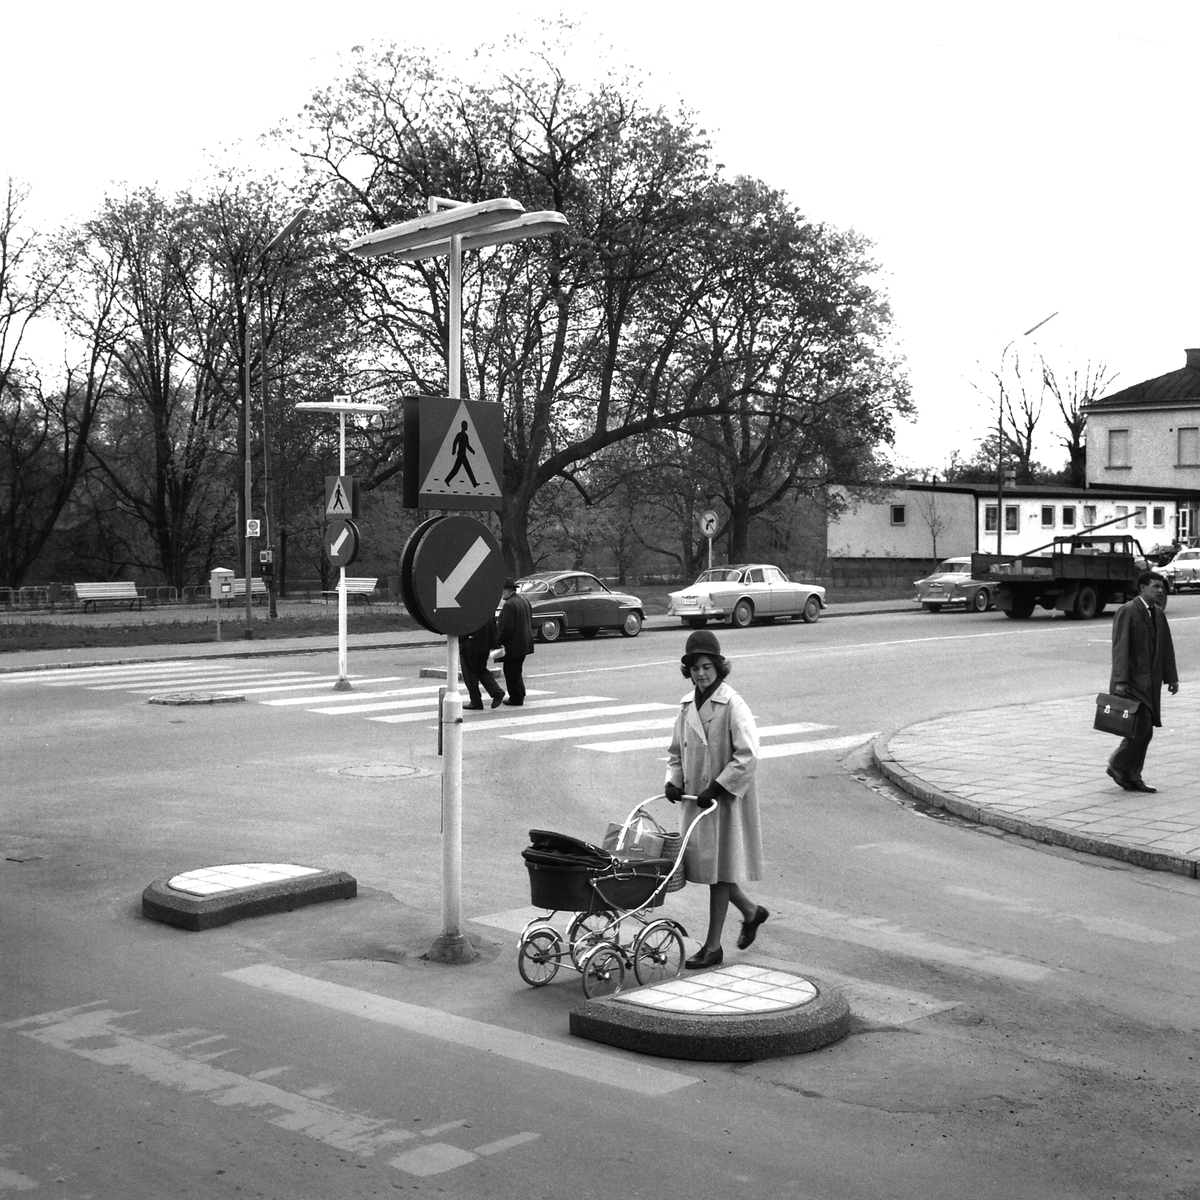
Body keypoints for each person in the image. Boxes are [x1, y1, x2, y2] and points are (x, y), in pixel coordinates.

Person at [664, 630, 767, 969]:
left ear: (719, 668)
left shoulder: (733, 704)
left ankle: (712, 946)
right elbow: (676, 753)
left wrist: (719, 787)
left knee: (718, 871)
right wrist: (673, 782)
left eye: (707, 666)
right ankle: (751, 912)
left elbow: (748, 755)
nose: (701, 674)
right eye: (694, 668)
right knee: (711, 868)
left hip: (723, 800)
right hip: (698, 800)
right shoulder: (685, 705)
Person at [1107, 570, 1179, 794]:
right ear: (1142, 589)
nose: (1160, 591)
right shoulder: (1128, 611)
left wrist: (1172, 677)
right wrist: (1121, 681)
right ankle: (1119, 766)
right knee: (1143, 727)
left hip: (1151, 683)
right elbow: (1120, 647)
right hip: (1131, 683)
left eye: (1161, 587)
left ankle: (1130, 774)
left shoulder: (1157, 613)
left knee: (1144, 730)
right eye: (1155, 586)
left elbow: (1166, 647)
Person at [496, 578, 535, 706]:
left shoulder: (509, 605)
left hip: (514, 645)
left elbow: (507, 627)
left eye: (501, 591)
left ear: (507, 590)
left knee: (511, 672)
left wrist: (499, 641)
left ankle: (516, 698)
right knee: (516, 671)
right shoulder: (523, 600)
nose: (501, 594)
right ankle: (520, 694)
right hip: (524, 642)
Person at [458, 616, 504, 710]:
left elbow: (465, 624)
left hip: (470, 643)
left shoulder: (469, 606)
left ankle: (476, 701)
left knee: (469, 674)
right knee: (481, 669)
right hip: (485, 642)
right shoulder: (486, 605)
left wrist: (461, 638)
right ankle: (496, 691)